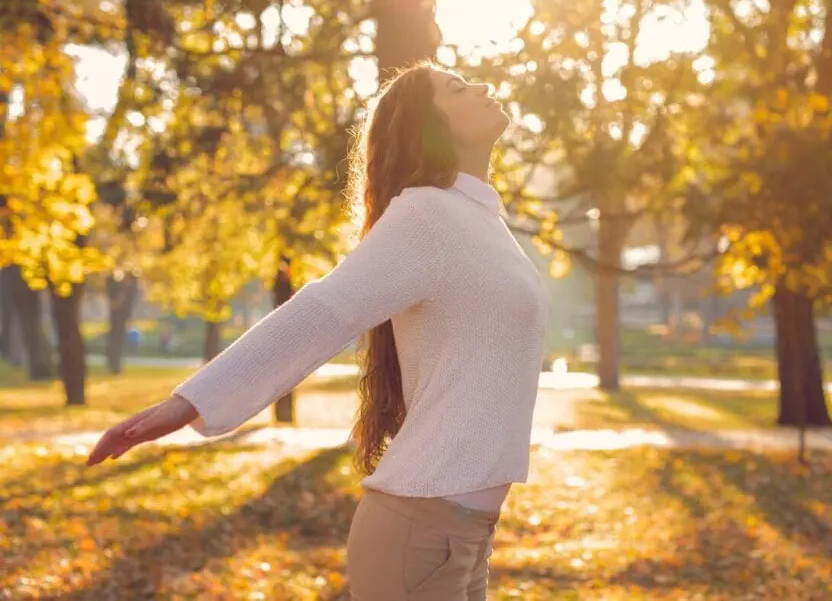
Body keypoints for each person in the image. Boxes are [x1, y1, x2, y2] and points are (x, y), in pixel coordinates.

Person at [86, 62, 550, 600]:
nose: (483, 87)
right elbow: (323, 312)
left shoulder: (482, 221)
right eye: (458, 87)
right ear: (430, 125)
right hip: (422, 533)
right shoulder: (427, 216)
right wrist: (189, 402)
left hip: (465, 532)